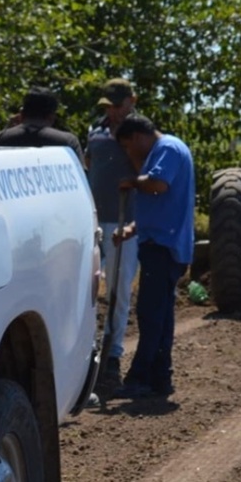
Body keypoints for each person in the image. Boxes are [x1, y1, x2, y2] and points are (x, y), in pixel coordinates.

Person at [111, 114, 195, 399]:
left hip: (163, 247)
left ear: (136, 137)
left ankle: (140, 377)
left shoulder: (167, 149)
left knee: (150, 314)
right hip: (162, 243)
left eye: (127, 146)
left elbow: (159, 185)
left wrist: (131, 182)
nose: (128, 153)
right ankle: (160, 377)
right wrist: (133, 229)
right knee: (160, 316)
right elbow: (161, 206)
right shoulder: (166, 150)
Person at [85, 78, 140, 391]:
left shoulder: (138, 134)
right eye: (109, 106)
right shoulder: (96, 129)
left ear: (132, 101)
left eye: (118, 106)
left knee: (119, 290)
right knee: (91, 289)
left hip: (124, 222)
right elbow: (90, 166)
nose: (114, 112)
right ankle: (89, 353)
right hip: (95, 218)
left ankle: (113, 357)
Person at [0, 86, 84, 163]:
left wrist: (5, 131)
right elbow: (82, 179)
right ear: (51, 116)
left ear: (22, 114)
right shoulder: (67, 142)